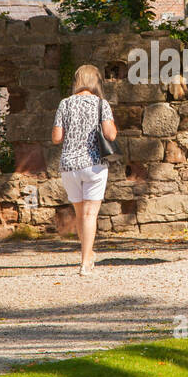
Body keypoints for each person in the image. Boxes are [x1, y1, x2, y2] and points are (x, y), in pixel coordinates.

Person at [52, 64, 117, 275]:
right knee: (90, 215)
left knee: (80, 214)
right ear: (96, 81)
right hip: (94, 164)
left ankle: (87, 255)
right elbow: (111, 135)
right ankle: (85, 263)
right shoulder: (101, 104)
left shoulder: (64, 104)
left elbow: (56, 138)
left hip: (69, 166)